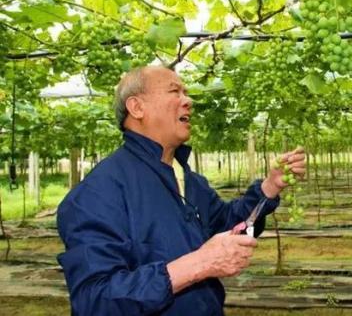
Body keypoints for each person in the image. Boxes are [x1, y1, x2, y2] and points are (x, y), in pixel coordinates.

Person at [57, 65, 305, 315]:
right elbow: (96, 300)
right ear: (137, 107)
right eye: (174, 91)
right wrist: (200, 263)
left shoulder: (189, 181)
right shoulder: (97, 194)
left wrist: (269, 186)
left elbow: (228, 226)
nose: (188, 100)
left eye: (186, 91)